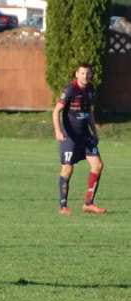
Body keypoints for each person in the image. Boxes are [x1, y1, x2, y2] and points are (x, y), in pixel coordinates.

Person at [52, 63, 106, 215]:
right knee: (68, 168)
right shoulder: (70, 90)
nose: (85, 76)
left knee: (98, 165)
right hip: (70, 136)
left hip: (85, 135)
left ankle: (89, 204)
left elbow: (89, 112)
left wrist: (94, 132)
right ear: (77, 74)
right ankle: (63, 206)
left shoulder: (90, 89)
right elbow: (56, 111)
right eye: (82, 73)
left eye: (88, 73)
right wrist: (58, 131)